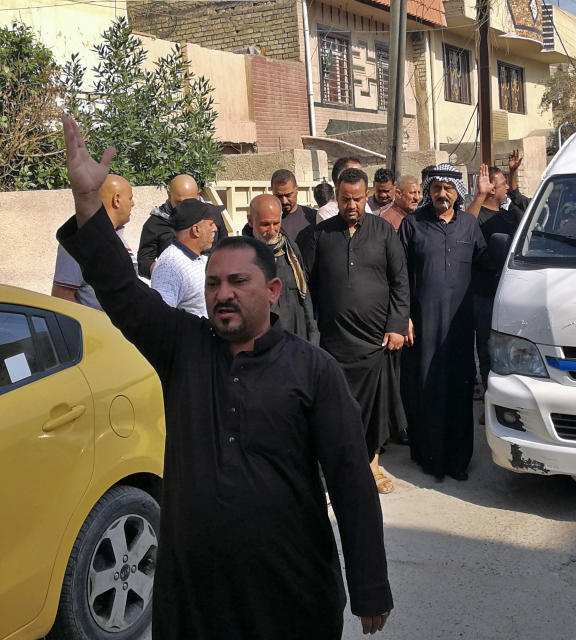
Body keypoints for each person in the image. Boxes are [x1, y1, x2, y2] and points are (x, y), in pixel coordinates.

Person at [55, 115, 392, 639]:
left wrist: (370, 584)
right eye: (213, 283)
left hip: (290, 592)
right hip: (196, 595)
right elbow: (122, 291)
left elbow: (350, 480)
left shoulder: (312, 370)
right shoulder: (184, 348)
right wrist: (86, 203)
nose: (223, 293)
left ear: (273, 292)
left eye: (239, 281)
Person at [297, 168, 410, 494]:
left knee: (374, 409)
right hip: (334, 343)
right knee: (337, 410)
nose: (351, 205)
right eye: (345, 199)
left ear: (367, 195)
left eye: (358, 199)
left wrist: (397, 324)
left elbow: (401, 281)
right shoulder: (319, 235)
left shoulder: (384, 231)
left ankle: (372, 467)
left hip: (375, 342)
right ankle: (341, 469)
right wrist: (312, 334)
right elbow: (306, 288)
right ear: (336, 194)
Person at [399, 163, 486, 482]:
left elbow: (482, 268)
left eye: (448, 188)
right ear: (428, 192)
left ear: (457, 192)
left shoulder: (469, 226)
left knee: (460, 390)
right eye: (436, 188)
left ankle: (458, 461)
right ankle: (429, 457)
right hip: (422, 325)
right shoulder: (412, 225)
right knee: (426, 389)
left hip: (460, 328)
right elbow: (401, 277)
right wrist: (403, 317)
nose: (442, 194)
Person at [466, 164, 521, 387]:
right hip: (484, 294)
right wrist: (479, 196)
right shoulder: (476, 217)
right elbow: (465, 226)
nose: (506, 188)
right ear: (490, 189)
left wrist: (514, 174)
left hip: (511, 292)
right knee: (487, 350)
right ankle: (490, 395)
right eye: (502, 184)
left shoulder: (509, 217)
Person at [52, 174, 136, 309]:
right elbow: (62, 298)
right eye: (130, 198)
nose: (133, 203)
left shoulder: (119, 238)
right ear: (117, 200)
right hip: (98, 329)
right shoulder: (80, 240)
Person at [246, 193, 320, 344]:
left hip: (296, 337)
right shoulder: (243, 256)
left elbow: (304, 296)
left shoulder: (290, 249)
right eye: (265, 224)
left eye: (276, 223)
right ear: (250, 221)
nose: (272, 231)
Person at [137, 174, 228, 277]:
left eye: (190, 202)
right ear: (169, 195)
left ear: (198, 195)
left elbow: (225, 251)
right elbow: (144, 263)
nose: (184, 208)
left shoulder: (213, 216)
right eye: (179, 202)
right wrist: (167, 273)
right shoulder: (155, 223)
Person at [150, 199, 218, 317]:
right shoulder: (170, 266)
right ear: (196, 230)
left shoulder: (200, 258)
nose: (215, 229)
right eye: (211, 224)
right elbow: (162, 317)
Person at [271, 169, 318, 240]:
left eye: (288, 195)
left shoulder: (314, 217)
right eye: (279, 196)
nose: (284, 201)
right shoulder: (267, 221)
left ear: (297, 190)